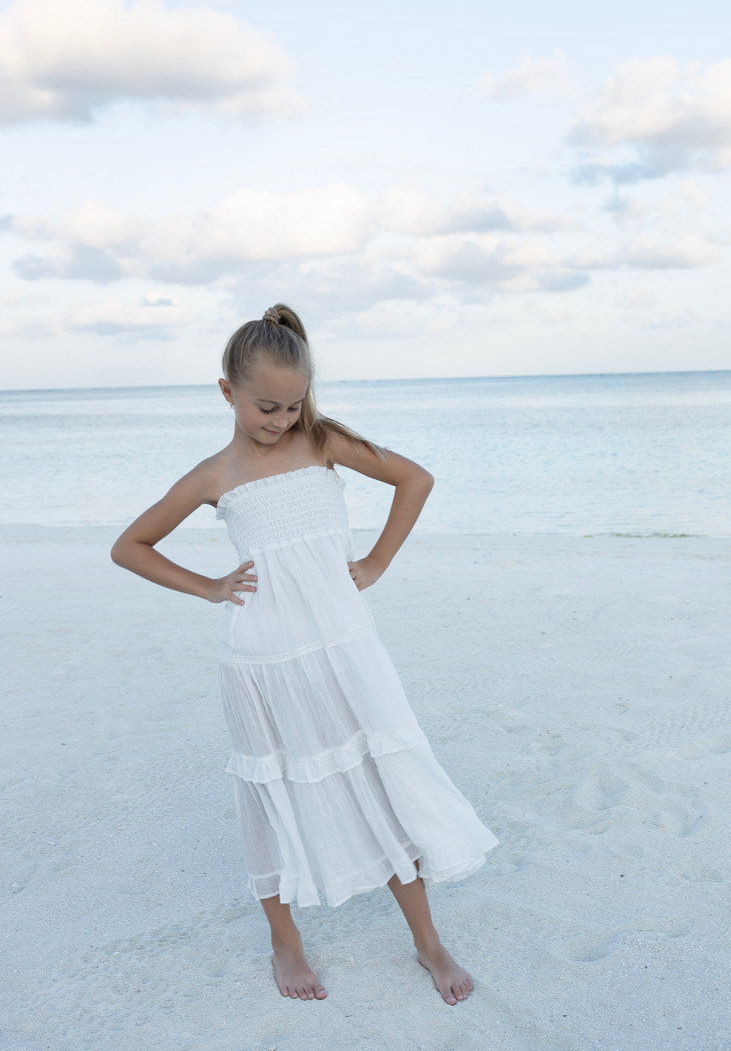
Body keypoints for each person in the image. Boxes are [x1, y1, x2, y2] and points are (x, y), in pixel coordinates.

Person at [111, 303, 499, 1006]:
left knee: (380, 779)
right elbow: (129, 546)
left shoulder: (322, 442)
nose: (281, 420)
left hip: (344, 648)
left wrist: (376, 561)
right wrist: (209, 587)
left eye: (293, 406)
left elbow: (415, 480)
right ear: (226, 392)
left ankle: (427, 941)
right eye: (267, 407)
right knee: (273, 792)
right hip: (260, 659)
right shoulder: (213, 475)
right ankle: (285, 943)